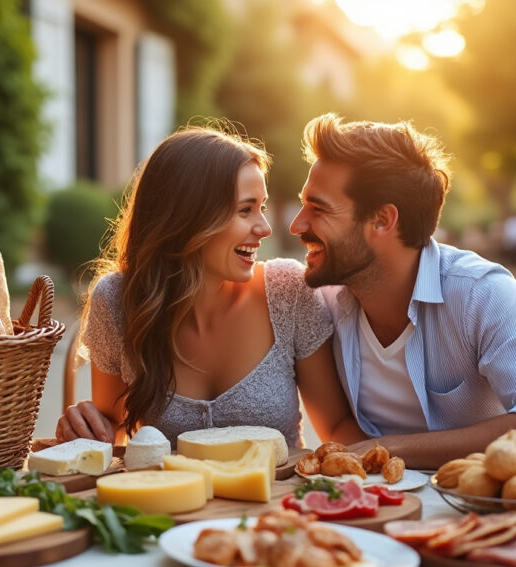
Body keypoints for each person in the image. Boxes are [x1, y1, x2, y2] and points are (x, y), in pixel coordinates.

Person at [288, 114, 516, 468]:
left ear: (382, 220)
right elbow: (338, 427)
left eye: (318, 208)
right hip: (378, 506)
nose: (297, 224)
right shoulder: (320, 301)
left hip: (476, 508)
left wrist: (390, 449)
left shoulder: (479, 293)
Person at [55, 125, 366, 448]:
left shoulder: (288, 290)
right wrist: (85, 429)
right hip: (175, 499)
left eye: (261, 207)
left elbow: (336, 428)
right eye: (245, 210)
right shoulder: (117, 300)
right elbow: (112, 439)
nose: (264, 228)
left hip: (279, 497)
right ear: (188, 218)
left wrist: (403, 461)